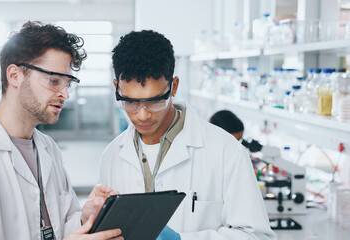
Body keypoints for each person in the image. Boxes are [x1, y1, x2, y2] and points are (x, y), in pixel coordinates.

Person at [0, 21, 122, 240]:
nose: (65, 94)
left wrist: (84, 218)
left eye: (68, 84)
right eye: (54, 80)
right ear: (14, 75)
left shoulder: (47, 148)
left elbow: (58, 227)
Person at [99, 30, 276, 239]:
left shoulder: (225, 150)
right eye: (130, 101)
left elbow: (257, 236)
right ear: (116, 88)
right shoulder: (111, 156)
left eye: (155, 101)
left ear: (173, 87)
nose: (142, 115)